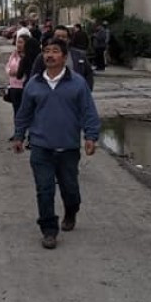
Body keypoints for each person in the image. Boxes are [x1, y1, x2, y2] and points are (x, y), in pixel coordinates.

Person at [12, 38, 101, 250]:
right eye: (46, 51)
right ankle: (49, 230)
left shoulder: (78, 83)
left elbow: (89, 112)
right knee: (44, 190)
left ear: (64, 56)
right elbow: (23, 113)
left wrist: (91, 137)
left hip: (68, 147)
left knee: (70, 190)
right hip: (41, 147)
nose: (49, 55)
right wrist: (18, 136)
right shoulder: (34, 84)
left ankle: (71, 211)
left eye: (54, 51)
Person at [30, 25, 94, 91]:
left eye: (63, 37)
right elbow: (35, 74)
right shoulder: (43, 56)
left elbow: (88, 73)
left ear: (69, 39)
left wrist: (87, 89)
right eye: (57, 36)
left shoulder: (79, 55)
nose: (60, 39)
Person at [5, 34, 28, 117]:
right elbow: (8, 66)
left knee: (23, 113)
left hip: (23, 87)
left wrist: (18, 72)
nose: (18, 44)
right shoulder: (14, 54)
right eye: (17, 42)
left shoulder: (27, 56)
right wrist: (9, 71)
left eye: (21, 42)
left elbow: (25, 70)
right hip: (13, 87)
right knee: (16, 112)